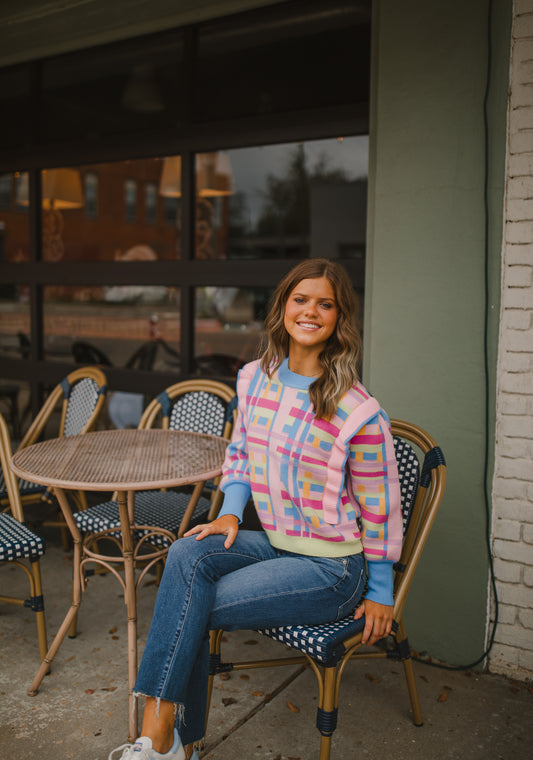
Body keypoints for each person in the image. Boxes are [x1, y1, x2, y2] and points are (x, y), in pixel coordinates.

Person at [109, 258, 403, 760]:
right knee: (186, 555)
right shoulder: (254, 378)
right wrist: (229, 511)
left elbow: (379, 506)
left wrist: (380, 590)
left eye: (325, 304)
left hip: (332, 567)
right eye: (301, 299)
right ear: (283, 307)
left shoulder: (358, 410)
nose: (311, 311)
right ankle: (168, 738)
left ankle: (161, 738)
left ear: (339, 318)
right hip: (274, 543)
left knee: (187, 607)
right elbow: (240, 454)